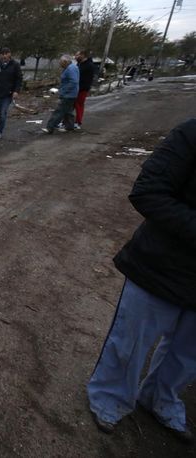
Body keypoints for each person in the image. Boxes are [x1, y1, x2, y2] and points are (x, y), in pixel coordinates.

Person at [87, 118, 196, 443]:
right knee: (131, 341)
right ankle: (109, 397)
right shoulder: (191, 134)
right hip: (161, 266)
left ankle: (162, 399)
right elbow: (148, 192)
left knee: (188, 354)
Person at [42, 55, 79, 134]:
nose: (60, 64)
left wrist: (64, 91)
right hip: (71, 94)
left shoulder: (70, 69)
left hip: (68, 95)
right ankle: (69, 127)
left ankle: (50, 127)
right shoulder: (71, 67)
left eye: (60, 62)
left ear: (65, 62)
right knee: (68, 111)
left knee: (59, 111)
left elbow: (73, 82)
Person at [74, 50, 94, 129]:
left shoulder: (89, 65)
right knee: (73, 105)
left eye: (77, 55)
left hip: (82, 89)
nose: (75, 57)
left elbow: (87, 79)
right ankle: (68, 121)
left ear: (83, 55)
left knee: (79, 105)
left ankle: (78, 122)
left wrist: (83, 88)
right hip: (77, 88)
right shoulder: (79, 64)